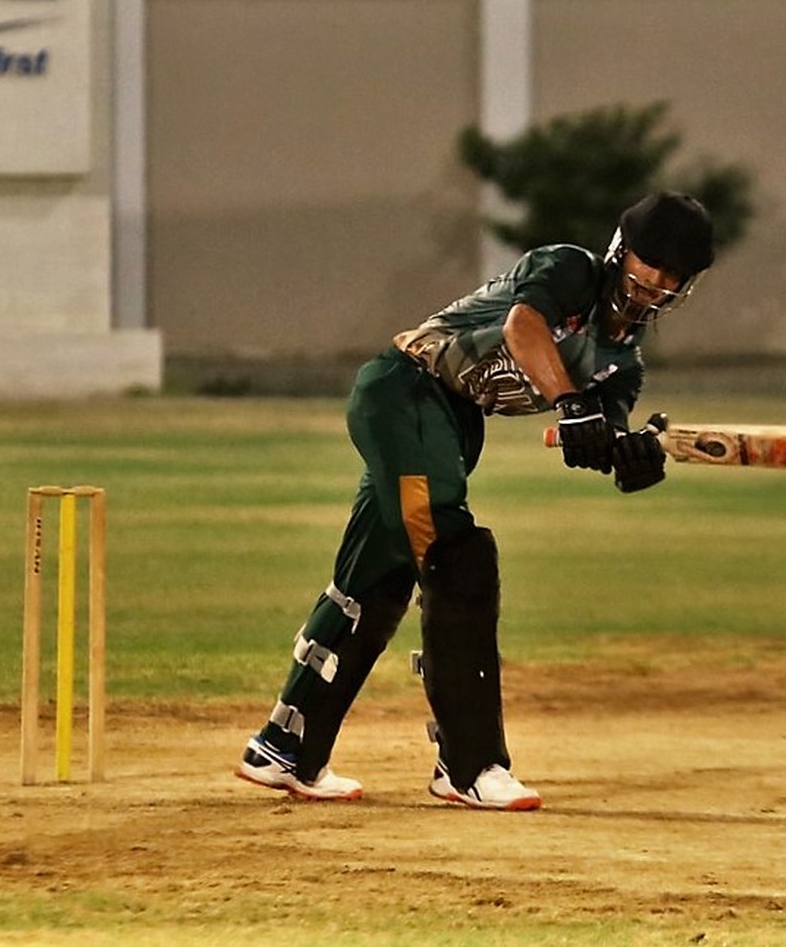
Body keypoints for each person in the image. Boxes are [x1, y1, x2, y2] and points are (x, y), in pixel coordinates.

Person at [234, 191, 716, 810]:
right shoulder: (570, 269)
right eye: (652, 262)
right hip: (405, 391)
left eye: (675, 274)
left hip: (453, 428)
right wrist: (571, 405)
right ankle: (469, 763)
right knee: (455, 556)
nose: (659, 281)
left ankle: (284, 748)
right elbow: (523, 327)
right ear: (622, 250)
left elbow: (596, 437)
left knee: (377, 574)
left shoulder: (622, 366)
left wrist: (630, 454)